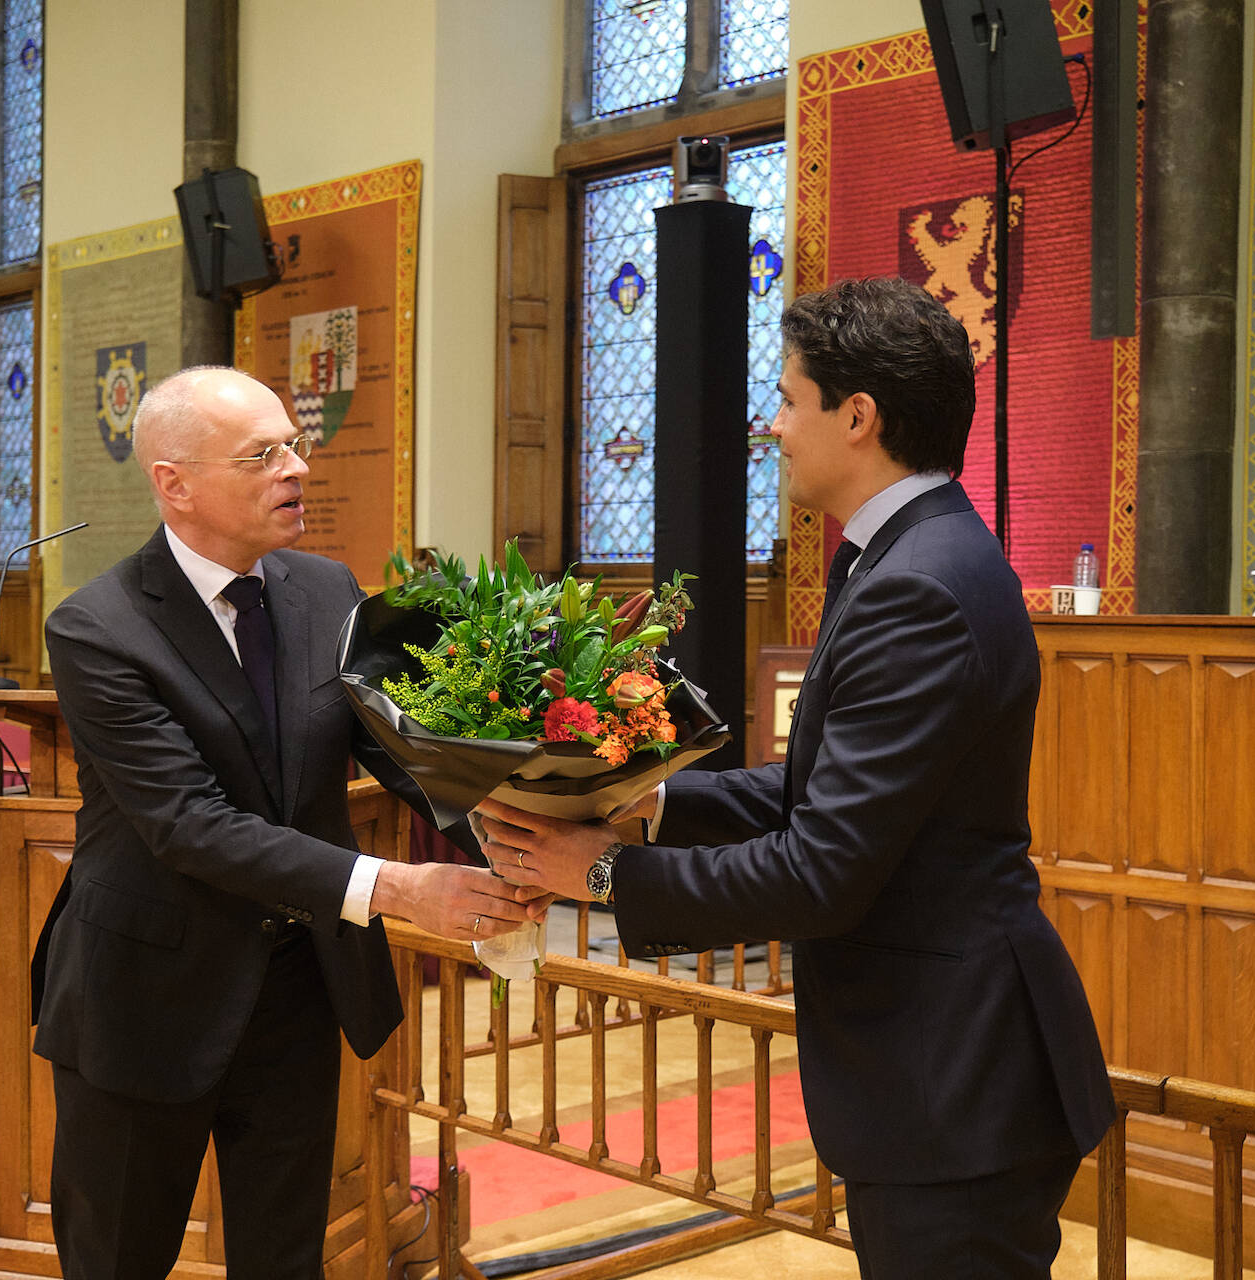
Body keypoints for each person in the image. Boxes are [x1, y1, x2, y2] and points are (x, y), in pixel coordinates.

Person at [475, 278, 1116, 1280]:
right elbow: (811, 791)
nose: (771, 425)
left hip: (956, 1077)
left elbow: (822, 870)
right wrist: (649, 806)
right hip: (938, 1067)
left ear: (857, 416)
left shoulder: (921, 586)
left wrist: (599, 875)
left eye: (787, 397)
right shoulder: (904, 554)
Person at [33, 366, 543, 1280]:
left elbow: (403, 754)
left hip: (298, 986)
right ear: (174, 483)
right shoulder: (97, 628)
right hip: (146, 994)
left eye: (295, 444)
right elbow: (191, 823)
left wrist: (526, 841)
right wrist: (397, 889)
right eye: (262, 454)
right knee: (118, 1259)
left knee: (285, 1259)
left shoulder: (323, 589)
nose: (296, 468)